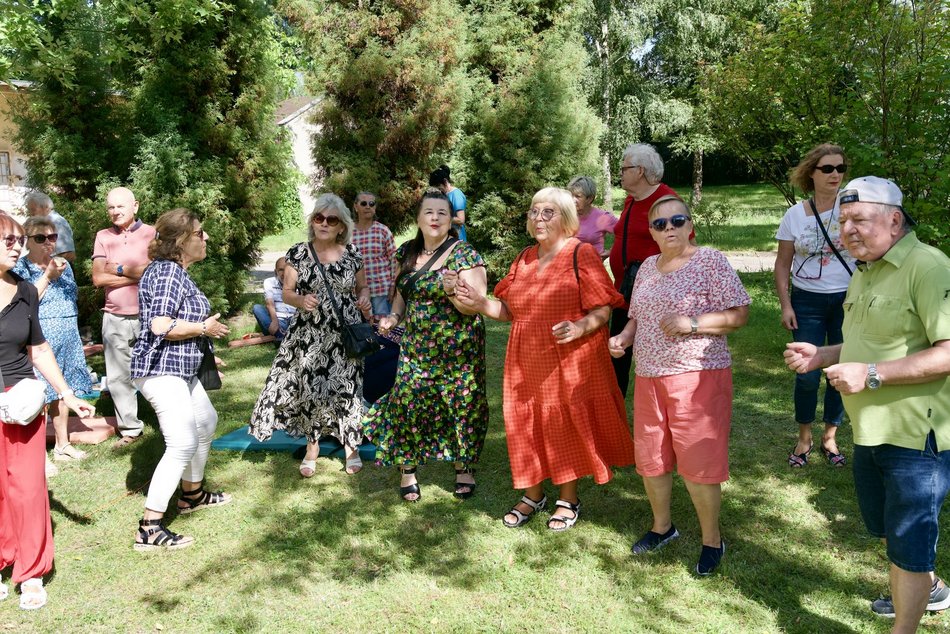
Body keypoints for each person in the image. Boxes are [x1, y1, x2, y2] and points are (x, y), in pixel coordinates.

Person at [784, 176, 950, 631]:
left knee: (908, 543)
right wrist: (823, 355)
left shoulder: (929, 267)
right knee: (890, 532)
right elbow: (864, 344)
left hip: (918, 436)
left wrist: (870, 375)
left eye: (860, 219)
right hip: (872, 429)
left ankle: (906, 622)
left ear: (894, 220)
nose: (848, 230)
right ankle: (929, 588)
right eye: (843, 221)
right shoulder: (865, 269)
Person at [456, 187, 634, 531]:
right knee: (525, 421)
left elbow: (602, 308)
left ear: (566, 218)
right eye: (534, 211)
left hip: (567, 358)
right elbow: (508, 311)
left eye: (548, 212)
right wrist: (480, 303)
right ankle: (532, 493)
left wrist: (581, 326)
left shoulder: (580, 254)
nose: (538, 218)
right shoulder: (524, 258)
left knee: (562, 423)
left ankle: (568, 498)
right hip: (525, 358)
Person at [609, 195, 750, 576]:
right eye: (660, 224)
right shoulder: (646, 269)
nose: (669, 228)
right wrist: (623, 338)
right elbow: (636, 317)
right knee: (652, 459)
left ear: (690, 225)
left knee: (698, 462)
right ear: (651, 233)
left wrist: (694, 323)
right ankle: (662, 527)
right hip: (649, 375)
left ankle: (711, 539)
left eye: (677, 220)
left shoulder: (710, 261)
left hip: (697, 376)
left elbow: (739, 314)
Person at [364, 191, 488, 502]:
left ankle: (463, 467)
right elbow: (402, 293)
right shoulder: (406, 252)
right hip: (416, 346)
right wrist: (394, 316)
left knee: (462, 405)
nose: (435, 218)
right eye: (429, 212)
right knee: (408, 403)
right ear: (419, 219)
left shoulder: (465, 256)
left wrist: (452, 293)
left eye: (442, 213)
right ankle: (408, 470)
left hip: (459, 349)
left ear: (451, 220)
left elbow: (474, 308)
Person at [0, 214, 95, 609]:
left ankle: (31, 572)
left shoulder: (24, 290)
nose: (17, 245)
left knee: (28, 486)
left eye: (19, 239)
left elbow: (37, 348)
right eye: (8, 239)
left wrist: (67, 395)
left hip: (20, 399)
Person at [129, 208, 232, 551]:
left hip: (180, 368)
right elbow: (161, 325)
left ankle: (192, 494)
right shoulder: (168, 273)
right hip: (160, 371)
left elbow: (176, 323)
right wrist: (206, 328)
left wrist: (204, 352)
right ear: (182, 240)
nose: (206, 238)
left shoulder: (175, 272)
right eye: (200, 233)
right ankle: (149, 527)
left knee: (206, 421)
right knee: (182, 442)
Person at [249, 193, 372, 477]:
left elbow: (362, 288)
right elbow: (287, 293)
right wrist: (301, 301)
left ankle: (351, 444)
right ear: (312, 221)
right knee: (312, 387)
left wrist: (364, 300)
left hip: (344, 331)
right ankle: (312, 446)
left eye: (331, 219)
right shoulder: (298, 253)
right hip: (311, 332)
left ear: (341, 226)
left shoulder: (353, 254)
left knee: (349, 387)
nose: (324, 223)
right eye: (319, 217)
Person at [775, 144, 855, 468]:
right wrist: (785, 305)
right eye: (828, 168)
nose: (836, 174)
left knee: (840, 369)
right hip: (806, 300)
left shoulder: (854, 208)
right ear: (812, 173)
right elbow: (782, 265)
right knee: (806, 374)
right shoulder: (794, 216)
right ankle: (804, 436)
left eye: (840, 168)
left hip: (849, 300)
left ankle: (830, 437)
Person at [14, 217, 93, 469]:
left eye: (53, 237)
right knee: (41, 393)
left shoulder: (64, 265)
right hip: (40, 334)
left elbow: (73, 296)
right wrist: (47, 276)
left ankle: (62, 444)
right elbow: (26, 302)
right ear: (27, 240)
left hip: (67, 330)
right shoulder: (21, 268)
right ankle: (38, 453)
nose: (48, 243)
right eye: (41, 238)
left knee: (63, 389)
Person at [607, 144, 683, 396]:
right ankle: (615, 421)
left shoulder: (666, 200)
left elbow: (684, 246)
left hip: (655, 295)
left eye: (624, 168)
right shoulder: (631, 199)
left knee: (655, 358)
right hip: (624, 294)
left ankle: (662, 409)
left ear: (640, 171)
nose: (621, 173)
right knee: (617, 356)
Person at [92, 187, 156, 448]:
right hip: (114, 317)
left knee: (158, 369)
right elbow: (98, 278)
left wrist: (118, 269)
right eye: (111, 207)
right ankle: (130, 428)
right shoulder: (103, 236)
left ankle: (167, 417)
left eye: (121, 206)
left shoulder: (152, 233)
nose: (115, 211)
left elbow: (154, 271)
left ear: (135, 206)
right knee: (118, 376)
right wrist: (136, 274)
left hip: (149, 314)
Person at [351, 191, 398, 318]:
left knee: (383, 331)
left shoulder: (383, 231)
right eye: (363, 203)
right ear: (356, 207)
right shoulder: (348, 233)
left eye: (371, 204)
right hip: (357, 293)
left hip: (381, 291)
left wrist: (394, 286)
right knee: (360, 331)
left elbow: (394, 260)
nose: (368, 207)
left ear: (375, 207)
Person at [568, 175, 617, 259]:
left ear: (589, 199)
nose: (572, 200)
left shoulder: (602, 217)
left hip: (592, 267)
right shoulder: (566, 215)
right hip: (567, 265)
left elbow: (624, 233)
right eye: (571, 195)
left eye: (577, 196)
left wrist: (611, 251)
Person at [24, 191, 75, 263]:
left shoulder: (57, 222)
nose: (31, 213)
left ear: (45, 207)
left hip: (59, 271)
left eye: (33, 210)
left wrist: (47, 267)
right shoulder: (45, 223)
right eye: (29, 210)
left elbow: (69, 254)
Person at [252, 257, 295, 342]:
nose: (284, 273)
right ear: (276, 272)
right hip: (278, 320)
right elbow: (269, 303)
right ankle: (280, 334)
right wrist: (275, 321)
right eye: (281, 270)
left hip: (294, 319)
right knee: (257, 308)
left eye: (287, 269)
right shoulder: (269, 282)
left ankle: (281, 336)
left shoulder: (299, 282)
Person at [429, 165, 468, 242]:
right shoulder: (444, 194)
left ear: (445, 181)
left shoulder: (456, 195)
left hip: (457, 240)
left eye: (438, 186)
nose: (437, 189)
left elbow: (461, 220)